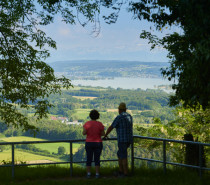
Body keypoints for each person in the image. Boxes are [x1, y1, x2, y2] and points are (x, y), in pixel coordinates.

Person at [103, 102, 133, 177]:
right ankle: (121, 171)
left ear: (119, 110)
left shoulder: (119, 117)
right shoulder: (129, 116)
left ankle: (125, 173)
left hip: (122, 139)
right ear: (125, 109)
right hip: (129, 139)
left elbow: (111, 127)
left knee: (123, 156)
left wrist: (105, 135)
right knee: (120, 154)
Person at [83, 109, 105, 179]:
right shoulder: (100, 124)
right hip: (98, 143)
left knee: (89, 159)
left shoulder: (87, 124)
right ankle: (97, 174)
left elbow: (84, 133)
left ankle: (88, 174)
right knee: (97, 159)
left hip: (89, 143)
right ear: (98, 116)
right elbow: (103, 134)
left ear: (90, 116)